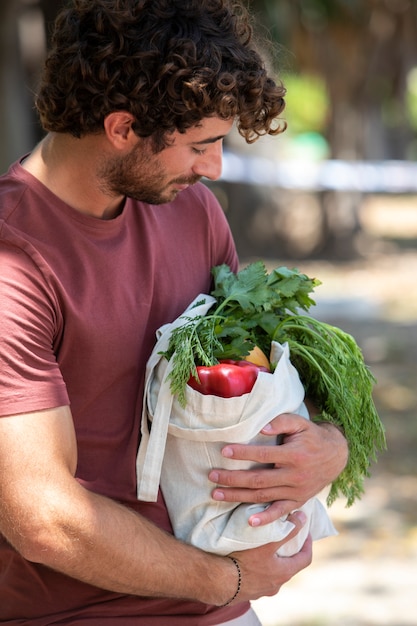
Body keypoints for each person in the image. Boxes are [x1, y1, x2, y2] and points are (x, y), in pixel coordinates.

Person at [0, 1, 348, 624]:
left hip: (215, 603)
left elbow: (255, 377)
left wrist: (328, 446)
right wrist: (227, 579)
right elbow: (42, 517)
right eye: (201, 145)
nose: (213, 167)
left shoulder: (194, 212)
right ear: (122, 127)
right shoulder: (13, 262)